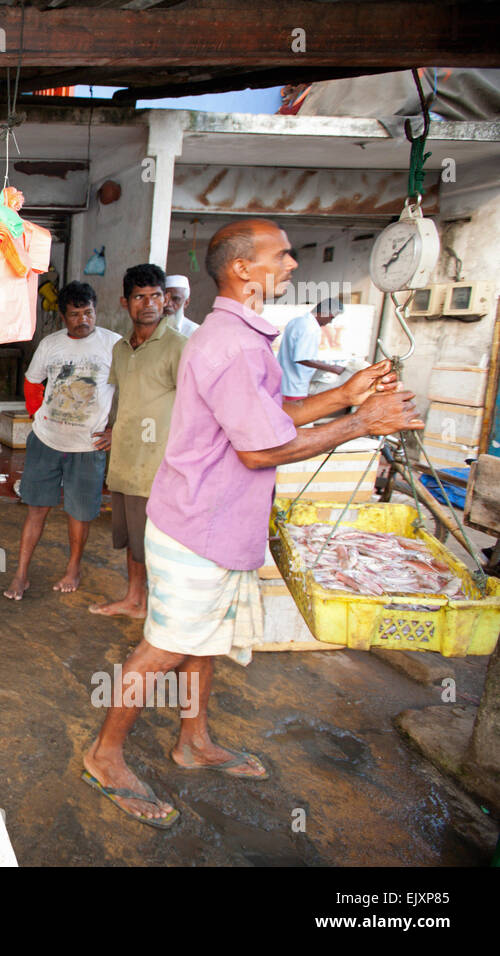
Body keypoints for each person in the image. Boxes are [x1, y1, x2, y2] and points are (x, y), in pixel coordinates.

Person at [81, 218, 423, 829]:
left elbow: (270, 415)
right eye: (281, 256)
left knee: (202, 643)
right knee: (163, 647)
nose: (291, 266)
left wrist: (344, 395)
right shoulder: (232, 344)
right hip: (198, 529)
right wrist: (360, 423)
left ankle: (194, 740)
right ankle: (105, 754)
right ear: (242, 268)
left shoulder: (236, 337)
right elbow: (259, 451)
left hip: (214, 523)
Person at [4, 281, 120, 600]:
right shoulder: (51, 344)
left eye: (88, 312)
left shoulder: (114, 345)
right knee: (36, 509)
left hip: (88, 446)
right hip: (46, 441)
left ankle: (73, 569)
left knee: (79, 514)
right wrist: (36, 414)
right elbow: (31, 382)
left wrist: (116, 431)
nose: (83, 320)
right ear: (62, 316)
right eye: (75, 314)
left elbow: (134, 391)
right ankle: (21, 574)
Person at [89, 263, 186, 620]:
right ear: (125, 302)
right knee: (132, 538)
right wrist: (114, 428)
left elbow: (194, 405)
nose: (148, 304)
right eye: (139, 297)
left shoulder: (179, 347)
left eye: (155, 296)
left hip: (161, 465)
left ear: (166, 300)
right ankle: (134, 599)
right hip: (126, 462)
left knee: (159, 542)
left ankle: (162, 612)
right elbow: (123, 396)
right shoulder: (120, 349)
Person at [277, 298, 346, 401]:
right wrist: (332, 368)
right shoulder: (310, 327)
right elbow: (302, 358)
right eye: (331, 317)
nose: (330, 322)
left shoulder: (297, 321)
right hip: (294, 387)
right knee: (294, 415)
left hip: (284, 383)